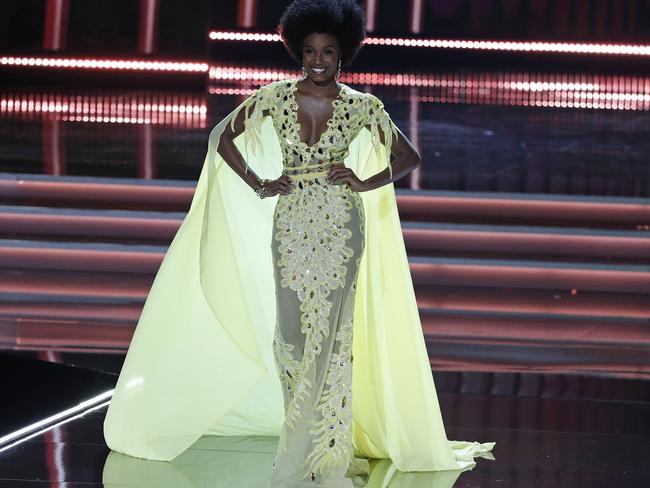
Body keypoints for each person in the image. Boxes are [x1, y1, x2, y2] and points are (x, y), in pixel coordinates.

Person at [103, 0, 494, 486]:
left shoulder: (362, 106)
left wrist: (365, 181)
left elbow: (407, 156)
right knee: (292, 336)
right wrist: (259, 182)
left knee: (332, 336)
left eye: (328, 51)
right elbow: (222, 138)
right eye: (309, 50)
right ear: (296, 49)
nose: (318, 60)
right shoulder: (273, 97)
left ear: (343, 53)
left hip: (341, 225)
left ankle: (323, 451)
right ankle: (305, 436)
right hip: (290, 225)